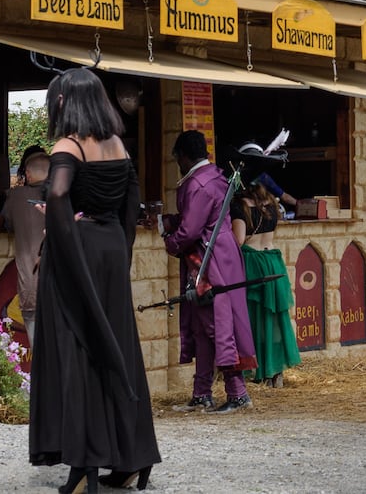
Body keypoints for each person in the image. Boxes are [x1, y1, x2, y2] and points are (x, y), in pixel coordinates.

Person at [29, 68, 159, 494]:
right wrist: (119, 250)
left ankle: (84, 462)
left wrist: (61, 232)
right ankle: (131, 459)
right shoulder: (117, 143)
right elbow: (132, 199)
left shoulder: (68, 145)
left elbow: (60, 194)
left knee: (78, 350)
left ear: (65, 102)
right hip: (110, 251)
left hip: (79, 253)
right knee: (117, 345)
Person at [163, 130, 256, 415]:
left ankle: (237, 393)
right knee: (203, 326)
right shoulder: (215, 176)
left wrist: (170, 239)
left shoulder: (199, 184)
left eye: (177, 157)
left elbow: (190, 229)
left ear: (184, 155)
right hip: (219, 256)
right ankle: (202, 392)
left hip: (210, 261)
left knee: (217, 326)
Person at [229, 167, 300, 388]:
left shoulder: (239, 206)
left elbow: (238, 240)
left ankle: (259, 371)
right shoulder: (271, 205)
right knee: (275, 319)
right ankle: (275, 371)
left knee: (254, 319)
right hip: (273, 261)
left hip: (253, 263)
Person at [2, 143, 50, 345]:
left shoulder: (17, 197)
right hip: (65, 289)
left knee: (40, 354)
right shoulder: (67, 195)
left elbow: (7, 223)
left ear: (28, 174)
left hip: (31, 291)